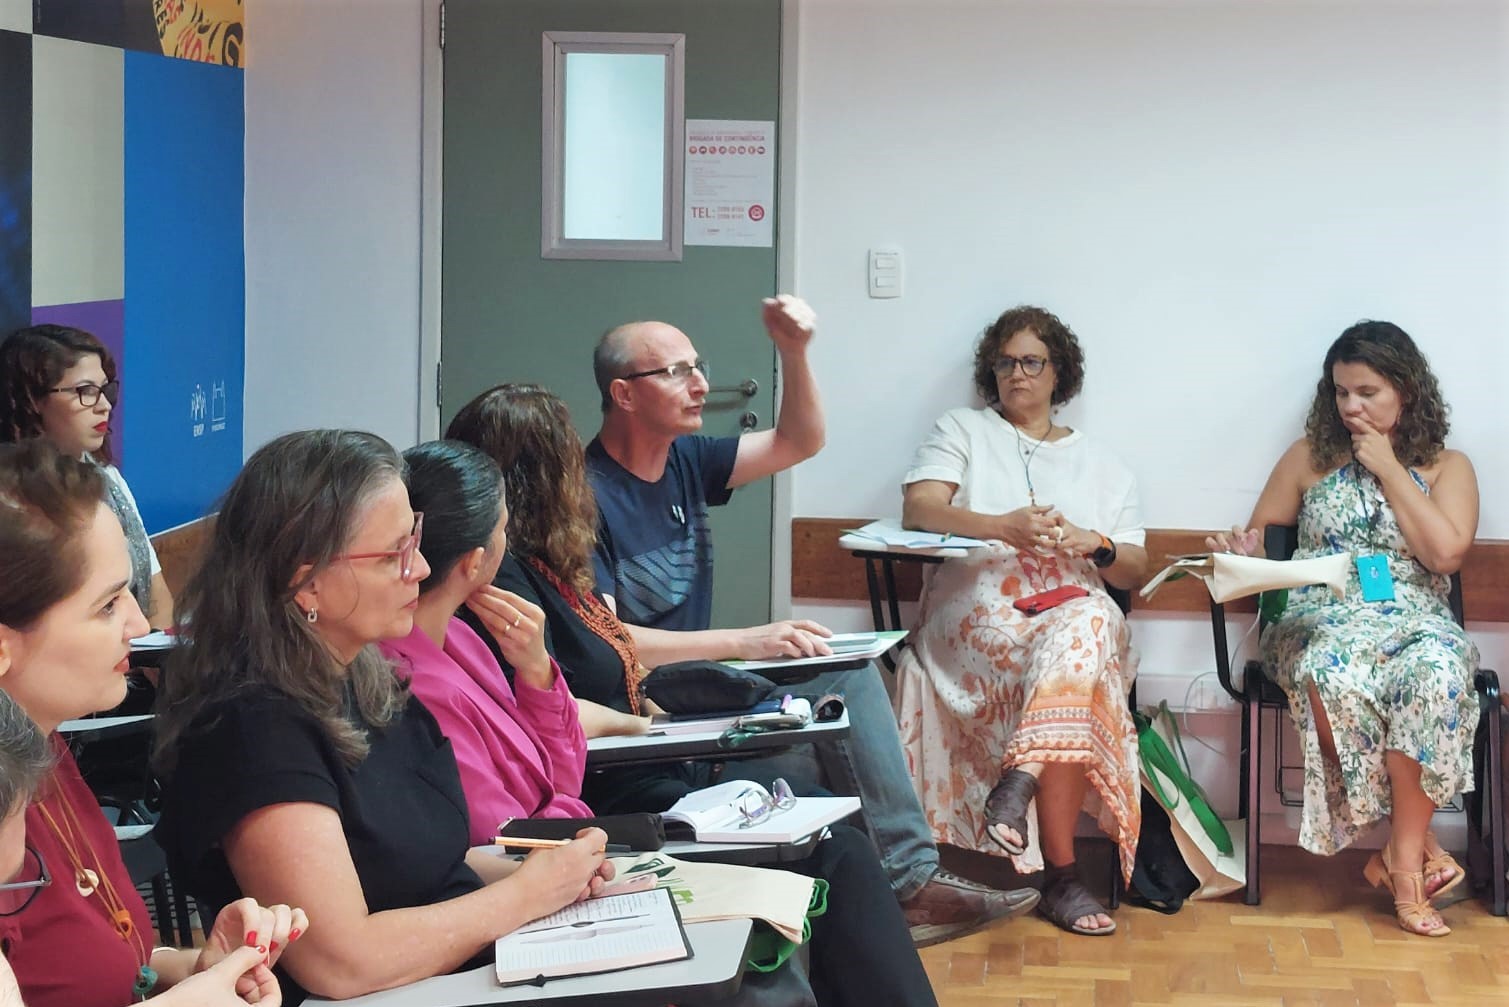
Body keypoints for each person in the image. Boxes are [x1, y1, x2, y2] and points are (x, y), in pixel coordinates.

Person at [448, 380, 1040, 946]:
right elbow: (544, 708)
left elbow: (612, 647)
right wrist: (659, 720)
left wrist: (744, 652)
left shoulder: (557, 562)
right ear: (544, 475)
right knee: (826, 810)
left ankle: (907, 884)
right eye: (568, 458)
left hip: (656, 728)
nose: (581, 473)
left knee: (841, 698)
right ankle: (902, 891)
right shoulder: (505, 584)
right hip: (627, 769)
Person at [387, 438, 940, 1007]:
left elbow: (557, 772)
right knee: (779, 937)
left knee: (838, 848)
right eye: (505, 529)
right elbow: (506, 833)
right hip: (544, 877)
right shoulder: (413, 682)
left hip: (577, 850)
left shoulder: (465, 639)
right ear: (475, 561)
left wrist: (536, 673)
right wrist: (585, 829)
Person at [151, 430, 613, 1005]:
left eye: (413, 540)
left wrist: (557, 875)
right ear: (306, 582)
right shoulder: (253, 729)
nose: (420, 567)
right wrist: (527, 896)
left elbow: (426, 868)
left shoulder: (367, 679)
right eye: (394, 553)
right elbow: (340, 961)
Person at [0, 439, 302, 1007]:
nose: (140, 625)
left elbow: (98, 969)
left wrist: (194, 968)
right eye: (108, 605)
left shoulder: (45, 748)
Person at [1207, 320, 1479, 937]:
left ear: (1406, 391)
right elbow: (1261, 544)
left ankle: (1400, 861)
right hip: (1318, 615)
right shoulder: (1308, 458)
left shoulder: (1447, 467)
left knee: (1438, 673)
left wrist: (1390, 469)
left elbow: (1444, 555)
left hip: (1414, 617)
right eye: (1340, 392)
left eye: (1367, 392)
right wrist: (1242, 547)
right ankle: (1414, 852)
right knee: (1330, 675)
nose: (1351, 406)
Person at [895, 305, 1149, 936]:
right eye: (1005, 362)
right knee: (1083, 661)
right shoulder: (963, 429)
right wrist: (1000, 526)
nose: (1017, 373)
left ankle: (1019, 780)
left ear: (1059, 373)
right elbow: (919, 508)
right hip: (978, 613)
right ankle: (1062, 876)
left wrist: (1095, 543)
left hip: (1072, 615)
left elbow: (1134, 569)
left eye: (1032, 361)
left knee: (1091, 621)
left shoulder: (1105, 465)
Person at [0, 325, 172, 626]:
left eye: (105, 390)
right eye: (85, 392)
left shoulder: (109, 478)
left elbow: (156, 591)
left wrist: (156, 649)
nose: (104, 406)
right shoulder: (10, 501)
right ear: (33, 401)